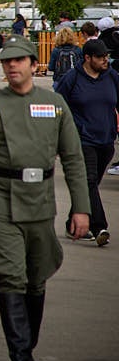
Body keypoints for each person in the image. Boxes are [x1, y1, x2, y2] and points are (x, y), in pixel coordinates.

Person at [0, 36, 90, 361]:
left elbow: (74, 160)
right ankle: (20, 356)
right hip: (2, 199)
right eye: (6, 62)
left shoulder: (55, 104)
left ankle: (27, 349)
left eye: (19, 60)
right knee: (12, 275)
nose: (12, 66)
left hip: (41, 200)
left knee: (37, 276)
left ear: (35, 64)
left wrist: (82, 209)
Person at [54, 37, 119, 246]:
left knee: (88, 185)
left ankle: (72, 223)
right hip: (82, 139)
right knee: (88, 181)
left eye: (106, 56)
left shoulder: (112, 77)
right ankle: (99, 225)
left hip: (106, 140)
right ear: (88, 58)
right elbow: (58, 105)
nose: (105, 60)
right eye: (101, 57)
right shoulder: (72, 78)